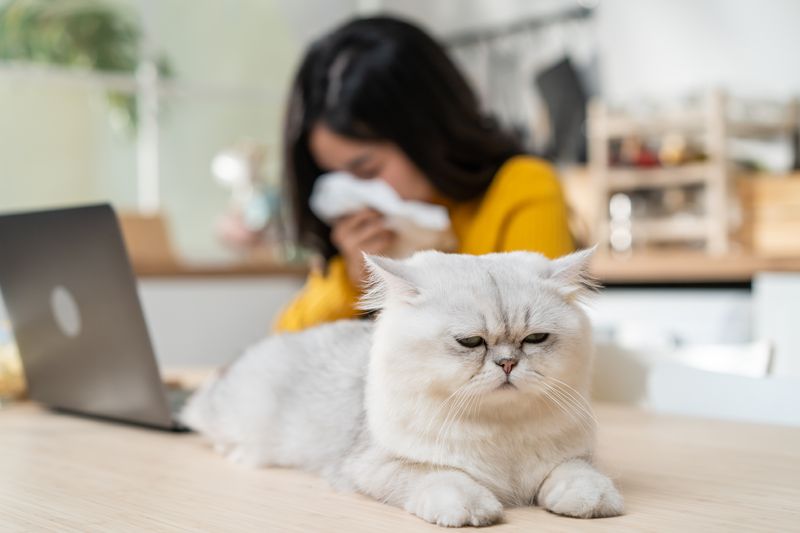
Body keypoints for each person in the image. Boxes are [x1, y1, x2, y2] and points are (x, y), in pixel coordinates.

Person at [275, 16, 574, 332]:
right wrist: (352, 283)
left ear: (427, 134)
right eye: (332, 177)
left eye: (366, 169)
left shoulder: (521, 187)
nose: (350, 193)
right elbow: (283, 347)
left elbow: (540, 338)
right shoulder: (360, 234)